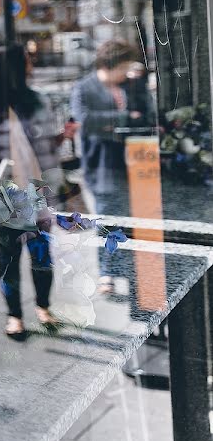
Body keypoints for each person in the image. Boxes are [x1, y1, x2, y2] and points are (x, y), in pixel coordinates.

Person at [0, 44, 76, 338]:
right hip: (3, 197)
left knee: (41, 254)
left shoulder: (34, 101)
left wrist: (64, 136)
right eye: (25, 63)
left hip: (37, 193)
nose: (30, 69)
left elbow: (45, 147)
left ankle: (43, 307)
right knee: (8, 257)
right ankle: (14, 315)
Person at [70, 39, 154, 294]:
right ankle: (108, 271)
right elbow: (85, 120)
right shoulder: (84, 88)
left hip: (132, 160)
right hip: (102, 163)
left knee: (131, 216)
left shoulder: (131, 85)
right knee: (108, 216)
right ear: (111, 64)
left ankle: (128, 270)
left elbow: (147, 114)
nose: (126, 72)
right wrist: (124, 118)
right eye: (124, 66)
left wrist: (138, 89)